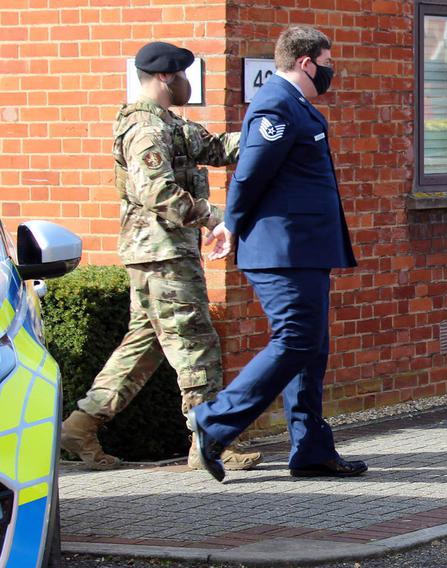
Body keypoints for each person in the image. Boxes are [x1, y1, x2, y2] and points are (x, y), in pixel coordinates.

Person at [60, 41, 261, 472]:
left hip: (159, 253)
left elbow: (218, 148)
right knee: (196, 343)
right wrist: (212, 217)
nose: (189, 82)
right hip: (162, 254)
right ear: (167, 77)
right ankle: (210, 441)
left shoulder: (169, 124)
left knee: (145, 345)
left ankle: (80, 425)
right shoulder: (145, 130)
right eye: (184, 74)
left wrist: (268, 130)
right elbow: (157, 191)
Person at [187, 26, 366, 482]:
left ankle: (309, 449)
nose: (331, 72)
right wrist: (230, 223)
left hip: (303, 249)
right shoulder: (276, 105)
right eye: (327, 64)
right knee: (295, 340)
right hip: (281, 251)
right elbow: (249, 174)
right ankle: (215, 420)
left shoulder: (296, 105)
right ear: (306, 63)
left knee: (313, 348)